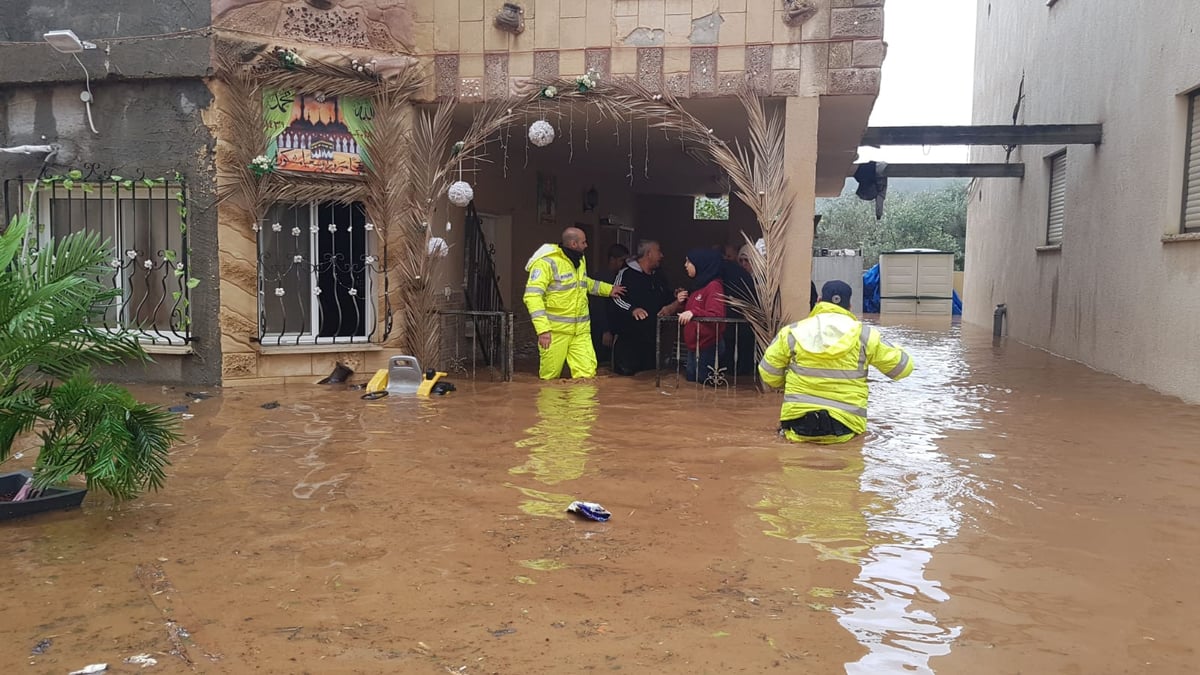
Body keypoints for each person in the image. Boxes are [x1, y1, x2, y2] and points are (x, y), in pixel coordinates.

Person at [758, 280, 913, 444]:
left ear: (818, 300)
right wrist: (894, 347)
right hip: (846, 426)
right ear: (850, 306)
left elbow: (768, 373)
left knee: (793, 466)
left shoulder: (791, 332)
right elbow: (902, 369)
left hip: (797, 423)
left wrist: (786, 383)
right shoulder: (865, 335)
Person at [524, 227, 626, 380]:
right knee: (550, 378)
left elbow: (583, 283)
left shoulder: (579, 259)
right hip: (555, 332)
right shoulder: (546, 263)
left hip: (581, 332)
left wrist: (609, 289)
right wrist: (543, 330)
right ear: (573, 244)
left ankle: (582, 405)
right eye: (584, 242)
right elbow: (532, 296)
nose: (587, 245)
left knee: (587, 376)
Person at [610, 240, 681, 376]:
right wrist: (632, 309)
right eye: (658, 252)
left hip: (652, 339)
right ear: (649, 254)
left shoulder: (658, 276)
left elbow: (664, 296)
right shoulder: (626, 274)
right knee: (626, 383)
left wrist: (675, 295)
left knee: (649, 378)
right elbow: (616, 298)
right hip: (629, 341)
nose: (662, 256)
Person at [679, 248, 727, 383]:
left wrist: (693, 312)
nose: (685, 265)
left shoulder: (714, 286)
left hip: (708, 346)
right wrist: (683, 303)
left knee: (704, 386)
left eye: (689, 262)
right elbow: (695, 309)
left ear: (700, 263)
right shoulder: (698, 286)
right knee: (693, 385)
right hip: (695, 346)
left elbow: (717, 315)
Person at [590, 243, 629, 364]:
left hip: (610, 329)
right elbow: (598, 308)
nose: (624, 264)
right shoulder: (602, 277)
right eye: (622, 260)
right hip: (600, 330)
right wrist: (605, 330)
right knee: (600, 362)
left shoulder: (618, 276)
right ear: (612, 259)